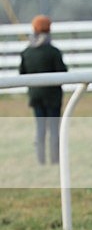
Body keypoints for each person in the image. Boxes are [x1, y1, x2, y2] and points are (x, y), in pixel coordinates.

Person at [19, 14, 68, 165]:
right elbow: (62, 72)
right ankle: (55, 160)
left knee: (40, 128)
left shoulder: (27, 52)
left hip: (35, 96)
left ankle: (40, 160)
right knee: (54, 129)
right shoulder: (53, 52)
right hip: (53, 97)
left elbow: (22, 73)